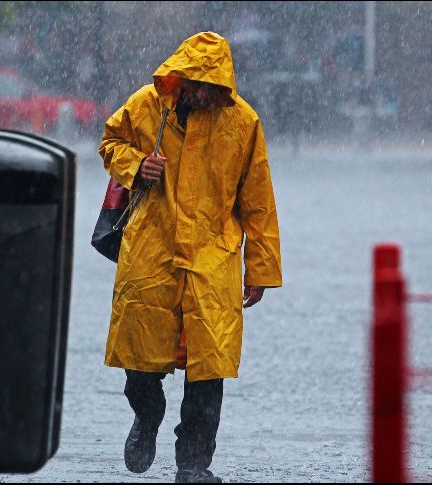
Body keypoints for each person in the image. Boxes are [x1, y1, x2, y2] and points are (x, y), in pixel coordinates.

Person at [99, 32, 282, 484]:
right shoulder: (147, 105)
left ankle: (194, 464)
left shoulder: (243, 123)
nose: (201, 93)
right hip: (152, 247)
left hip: (212, 256)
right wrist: (136, 164)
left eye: (210, 84)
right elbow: (110, 142)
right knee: (140, 357)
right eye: (195, 82)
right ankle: (148, 414)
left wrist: (259, 269)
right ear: (181, 74)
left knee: (208, 366)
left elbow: (257, 201)